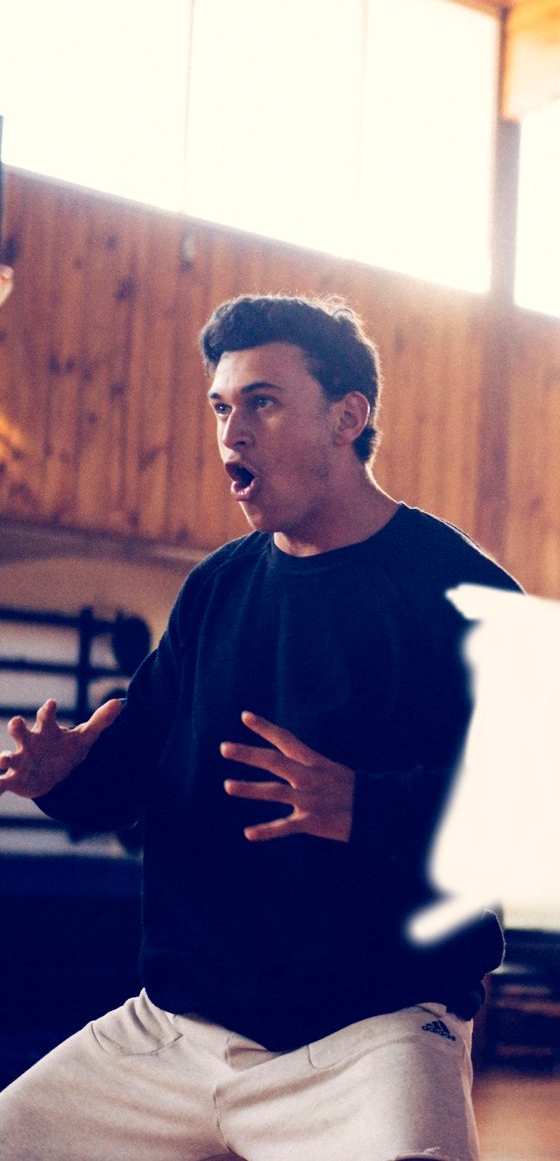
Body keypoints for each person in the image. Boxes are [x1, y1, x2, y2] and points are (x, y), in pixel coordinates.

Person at [0, 295, 519, 1161]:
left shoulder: (466, 596)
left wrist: (362, 805)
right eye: (220, 407)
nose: (231, 432)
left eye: (263, 402)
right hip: (176, 1030)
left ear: (347, 418)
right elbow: (132, 770)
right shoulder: (215, 590)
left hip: (370, 1037)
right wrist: (66, 777)